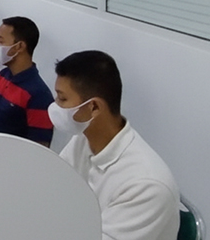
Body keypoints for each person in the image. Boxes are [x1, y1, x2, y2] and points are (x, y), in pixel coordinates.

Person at [50, 50, 179, 240]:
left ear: (94, 107)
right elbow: (54, 188)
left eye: (62, 99)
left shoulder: (146, 186)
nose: (55, 105)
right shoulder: (83, 139)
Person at [0, 17, 54, 146]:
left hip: (3, 152)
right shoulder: (4, 75)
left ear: (19, 46)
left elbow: (40, 148)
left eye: (1, 41)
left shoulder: (39, 95)